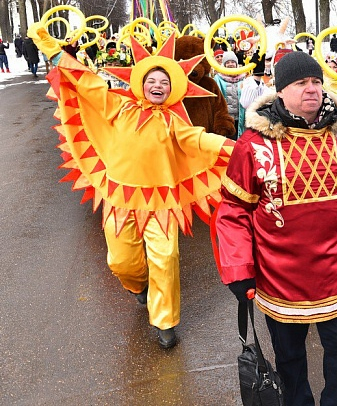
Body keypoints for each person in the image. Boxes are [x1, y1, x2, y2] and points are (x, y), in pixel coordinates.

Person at [27, 22, 234, 349]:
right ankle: (138, 286)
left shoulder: (175, 122)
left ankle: (165, 321)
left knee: (166, 261)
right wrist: (53, 49)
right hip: (120, 198)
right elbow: (87, 83)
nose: (157, 85)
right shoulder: (118, 106)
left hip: (163, 205)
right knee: (121, 261)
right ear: (140, 84)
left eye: (163, 82)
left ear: (172, 90)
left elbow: (199, 139)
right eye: (151, 80)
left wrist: (239, 149)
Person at [215, 51, 337, 406]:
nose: (312, 89)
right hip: (281, 278)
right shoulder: (253, 146)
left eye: (317, 82)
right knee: (290, 362)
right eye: (301, 83)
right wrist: (239, 269)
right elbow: (233, 211)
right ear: (280, 89)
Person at [214, 51, 246, 139]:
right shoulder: (218, 79)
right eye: (227, 62)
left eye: (232, 62)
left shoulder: (244, 78)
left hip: (241, 117)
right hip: (227, 118)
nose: (230, 64)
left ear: (236, 64)